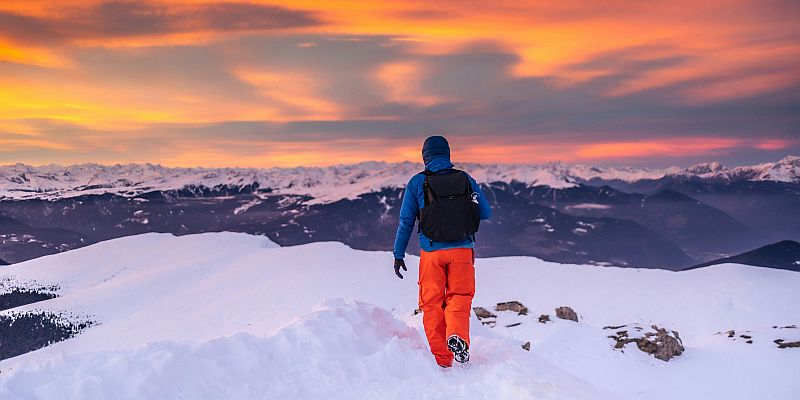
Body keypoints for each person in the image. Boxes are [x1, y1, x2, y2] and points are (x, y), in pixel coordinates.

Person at [392, 135, 492, 368]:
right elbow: (485, 213)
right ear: (447, 154)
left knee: (432, 303)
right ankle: (457, 336)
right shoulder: (466, 179)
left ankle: (442, 358)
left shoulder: (417, 182)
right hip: (462, 250)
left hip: (431, 253)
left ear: (425, 156)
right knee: (460, 297)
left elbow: (406, 221)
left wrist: (399, 254)